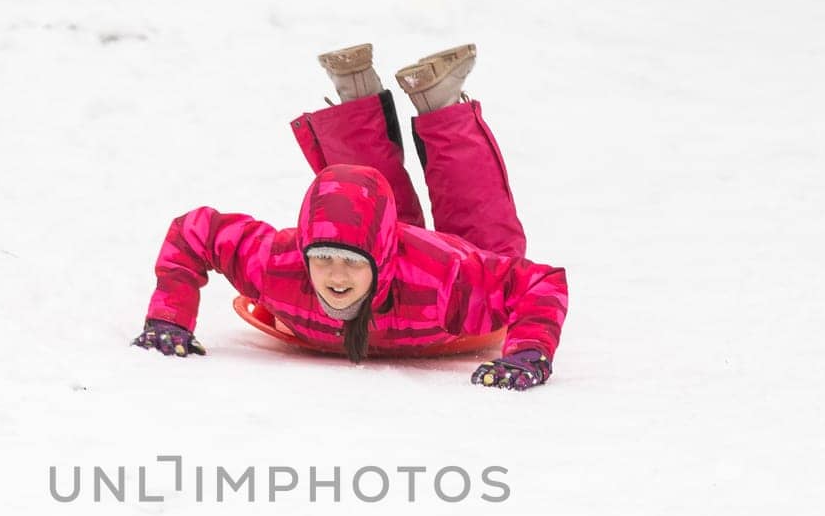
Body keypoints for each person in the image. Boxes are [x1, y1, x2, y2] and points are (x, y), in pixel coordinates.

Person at [131, 43, 569, 392]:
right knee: (355, 202)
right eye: (322, 257)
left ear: (381, 256)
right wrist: (169, 317)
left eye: (354, 262)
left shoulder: (447, 280)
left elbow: (538, 281)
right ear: (303, 249)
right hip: (396, 269)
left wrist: (528, 352)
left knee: (486, 235)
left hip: (429, 273)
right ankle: (364, 87)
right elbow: (195, 233)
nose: (336, 276)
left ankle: (438, 100)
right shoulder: (278, 265)